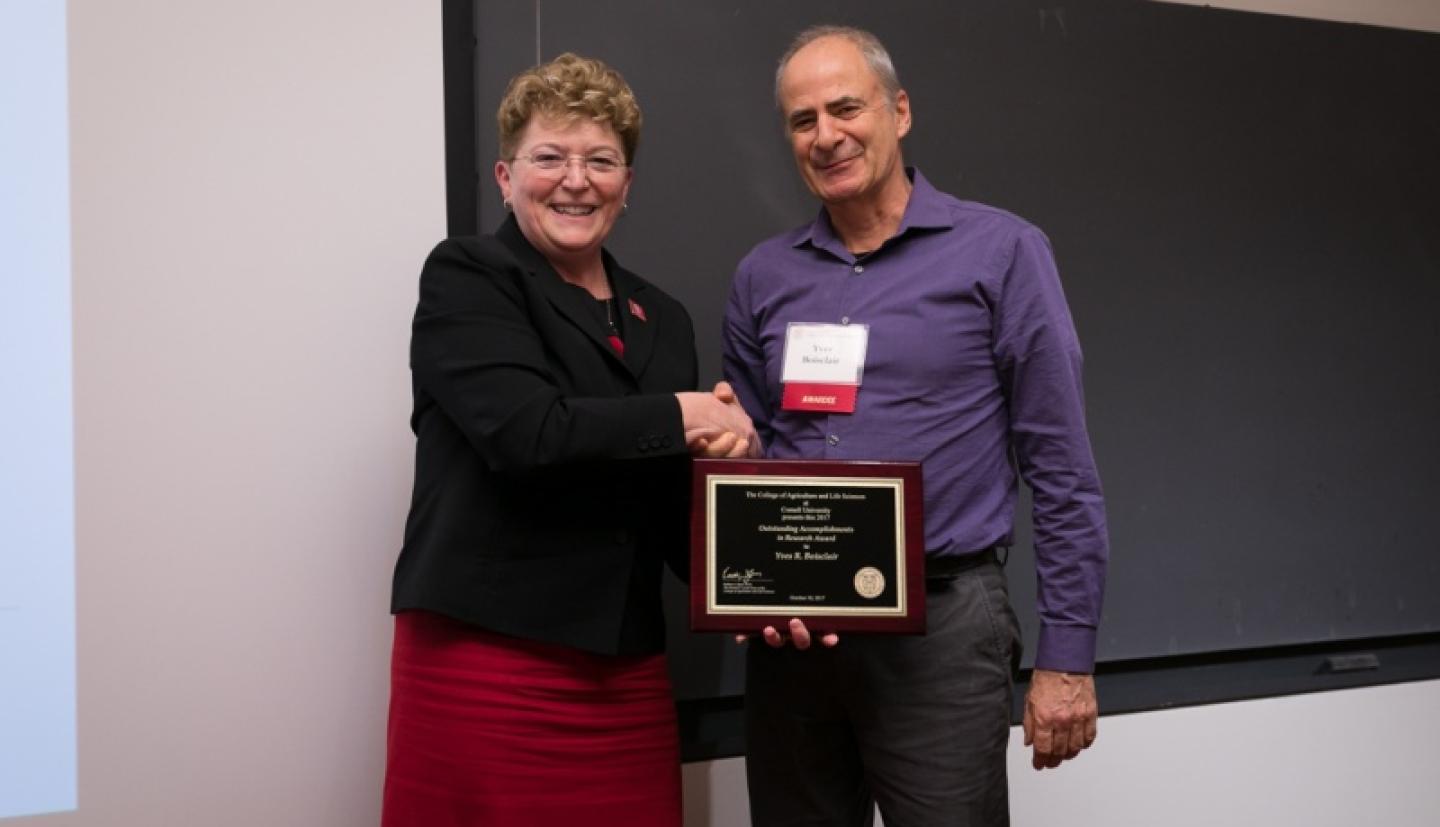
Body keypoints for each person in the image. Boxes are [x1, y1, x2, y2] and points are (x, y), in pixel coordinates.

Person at [721, 25, 1110, 826]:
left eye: (845, 108)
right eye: (802, 120)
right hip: (796, 639)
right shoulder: (763, 275)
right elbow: (753, 455)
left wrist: (1066, 657)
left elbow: (1062, 468)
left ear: (899, 111)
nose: (825, 135)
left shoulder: (1002, 252)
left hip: (944, 626)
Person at [382, 52, 755, 827]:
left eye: (601, 160)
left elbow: (661, 504)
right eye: (549, 157)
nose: (576, 179)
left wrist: (749, 547)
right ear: (504, 176)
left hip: (625, 674)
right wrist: (685, 417)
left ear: (628, 184)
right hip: (487, 661)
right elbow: (528, 432)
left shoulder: (665, 317)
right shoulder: (469, 277)